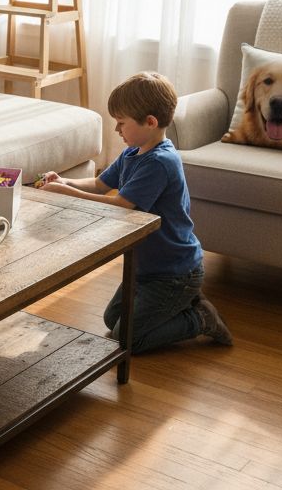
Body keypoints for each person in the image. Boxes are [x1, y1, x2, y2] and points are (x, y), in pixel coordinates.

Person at [38, 72, 233, 353]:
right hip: (144, 270)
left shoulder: (160, 162)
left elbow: (122, 205)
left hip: (174, 273)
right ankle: (181, 305)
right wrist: (64, 181)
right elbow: (99, 184)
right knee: (112, 319)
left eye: (121, 123)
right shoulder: (132, 153)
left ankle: (199, 319)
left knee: (128, 339)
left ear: (150, 122)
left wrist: (68, 195)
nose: (117, 129)